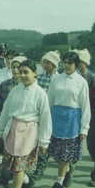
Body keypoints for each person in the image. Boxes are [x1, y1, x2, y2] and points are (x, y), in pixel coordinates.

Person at [0, 59, 52, 188]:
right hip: (12, 129)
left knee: (19, 166)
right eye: (20, 72)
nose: (22, 75)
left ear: (35, 73)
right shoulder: (15, 90)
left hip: (28, 132)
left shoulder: (40, 93)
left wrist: (44, 141)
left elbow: (45, 118)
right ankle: (27, 181)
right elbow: (5, 111)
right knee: (12, 165)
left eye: (26, 72)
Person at [47, 51, 90, 188]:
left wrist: (85, 127)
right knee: (56, 155)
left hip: (72, 121)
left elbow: (85, 106)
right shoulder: (56, 80)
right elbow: (49, 102)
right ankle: (68, 168)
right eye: (64, 62)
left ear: (76, 64)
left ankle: (58, 183)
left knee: (64, 156)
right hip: (56, 120)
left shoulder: (81, 82)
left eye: (70, 63)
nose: (66, 65)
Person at [0, 56, 27, 188]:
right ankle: (3, 180)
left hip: (23, 127)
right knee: (5, 152)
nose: (16, 70)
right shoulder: (5, 84)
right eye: (13, 67)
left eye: (19, 67)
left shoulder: (27, 86)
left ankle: (22, 179)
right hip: (5, 124)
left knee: (19, 155)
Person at [32, 50, 60, 181]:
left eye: (49, 63)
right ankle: (37, 167)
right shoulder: (39, 77)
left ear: (55, 65)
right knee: (37, 140)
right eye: (45, 62)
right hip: (38, 113)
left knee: (49, 141)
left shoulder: (59, 79)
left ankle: (66, 167)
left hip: (53, 115)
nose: (46, 65)